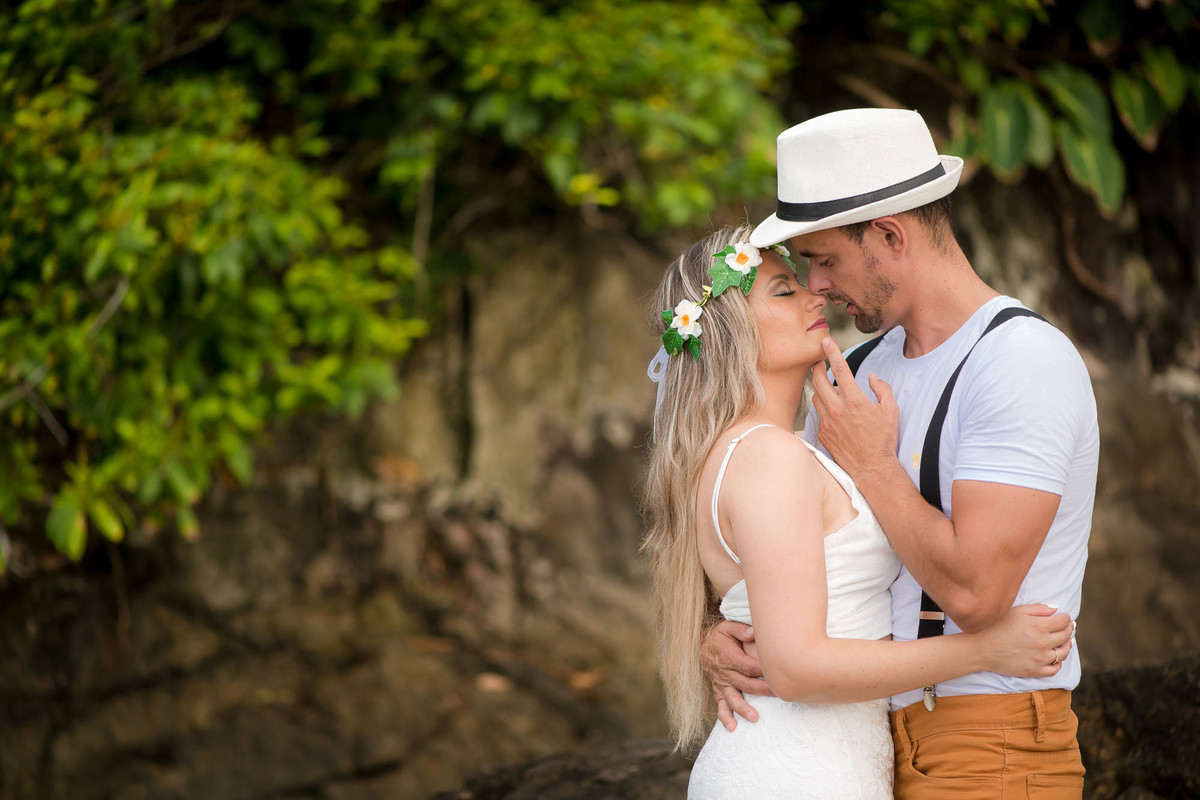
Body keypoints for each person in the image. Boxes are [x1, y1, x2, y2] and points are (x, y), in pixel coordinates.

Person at [703, 108, 1099, 798]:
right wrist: (723, 634)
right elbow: (796, 544)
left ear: (889, 235)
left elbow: (977, 595)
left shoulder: (1019, 362)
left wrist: (875, 468)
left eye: (824, 260)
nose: (817, 287)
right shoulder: (852, 370)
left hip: (993, 738)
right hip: (871, 744)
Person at [643, 223, 1076, 799]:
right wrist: (988, 649)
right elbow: (795, 667)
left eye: (813, 273)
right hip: (797, 770)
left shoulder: (783, 441)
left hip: (829, 758)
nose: (815, 293)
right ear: (727, 333)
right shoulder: (770, 455)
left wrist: (720, 633)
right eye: (783, 290)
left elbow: (777, 605)